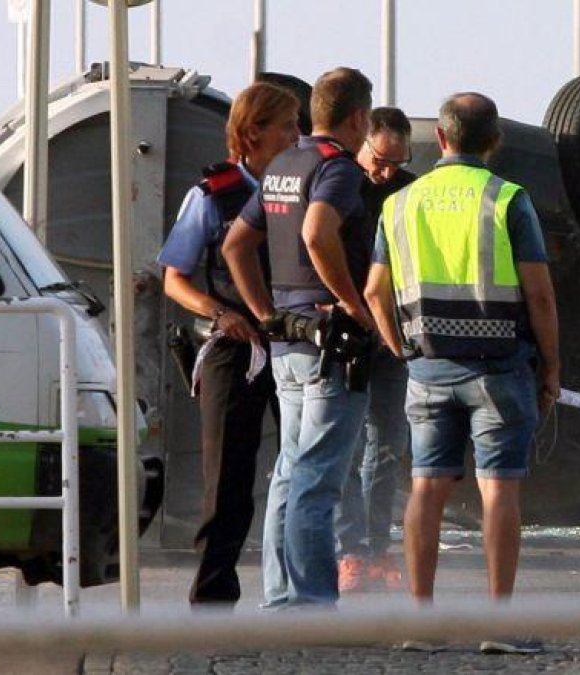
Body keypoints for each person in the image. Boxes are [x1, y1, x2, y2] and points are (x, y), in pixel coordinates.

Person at [365, 92, 560, 654]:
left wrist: (398, 346)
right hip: (500, 369)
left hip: (427, 368)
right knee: (499, 491)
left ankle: (419, 624)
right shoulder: (507, 200)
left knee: (426, 488)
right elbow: (540, 296)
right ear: (493, 141)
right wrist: (552, 365)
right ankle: (498, 624)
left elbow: (375, 290)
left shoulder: (400, 202)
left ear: (442, 140)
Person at [222, 66, 375, 609]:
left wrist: (265, 311)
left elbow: (236, 245)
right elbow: (316, 232)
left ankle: (282, 596)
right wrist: (355, 307)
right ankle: (312, 602)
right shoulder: (337, 168)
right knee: (317, 478)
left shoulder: (284, 164)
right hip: (329, 345)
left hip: (286, 340)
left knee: (289, 471)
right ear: (358, 118)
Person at [156, 81, 300, 606]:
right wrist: (221, 312)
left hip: (293, 344)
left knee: (302, 467)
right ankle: (213, 597)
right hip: (232, 349)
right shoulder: (211, 195)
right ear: (253, 132)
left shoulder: (300, 188)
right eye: (286, 126)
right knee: (229, 480)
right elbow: (175, 277)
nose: (296, 135)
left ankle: (297, 590)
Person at [335, 107, 416, 592]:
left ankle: (379, 545)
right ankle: (351, 551)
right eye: (379, 160)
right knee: (345, 446)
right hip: (347, 328)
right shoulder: (340, 182)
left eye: (395, 162)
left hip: (392, 333)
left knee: (388, 444)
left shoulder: (408, 190)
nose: (385, 171)